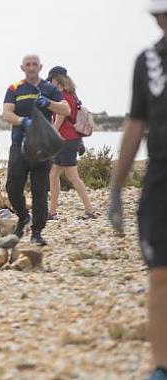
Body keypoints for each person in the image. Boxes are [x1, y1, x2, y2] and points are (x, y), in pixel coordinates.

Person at [109, 3, 167, 379]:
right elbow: (135, 123)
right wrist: (115, 186)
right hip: (161, 179)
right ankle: (162, 366)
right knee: (160, 274)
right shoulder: (147, 62)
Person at [1, 54, 71, 245]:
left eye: (34, 64)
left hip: (42, 148)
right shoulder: (14, 88)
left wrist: (48, 103)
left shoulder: (49, 88)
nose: (31, 67)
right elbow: (6, 113)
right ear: (22, 68)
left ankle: (37, 231)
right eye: (27, 65)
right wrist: (21, 121)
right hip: (19, 145)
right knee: (13, 187)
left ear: (40, 67)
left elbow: (66, 109)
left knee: (39, 191)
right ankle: (23, 216)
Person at [46, 66, 97, 220]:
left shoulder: (62, 95)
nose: (50, 83)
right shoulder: (72, 94)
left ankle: (90, 210)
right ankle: (52, 212)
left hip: (65, 140)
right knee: (54, 174)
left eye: (51, 80)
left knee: (72, 176)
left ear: (57, 79)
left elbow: (60, 119)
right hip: (70, 139)